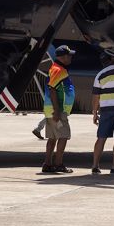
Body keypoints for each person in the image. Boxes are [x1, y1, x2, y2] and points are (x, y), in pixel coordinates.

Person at [42, 45, 76, 174]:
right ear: (63, 57)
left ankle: (47, 164)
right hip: (57, 111)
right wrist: (57, 110)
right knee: (64, 136)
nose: (71, 57)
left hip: (51, 109)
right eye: (69, 55)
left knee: (52, 137)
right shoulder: (58, 70)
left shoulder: (56, 68)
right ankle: (58, 164)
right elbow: (52, 89)